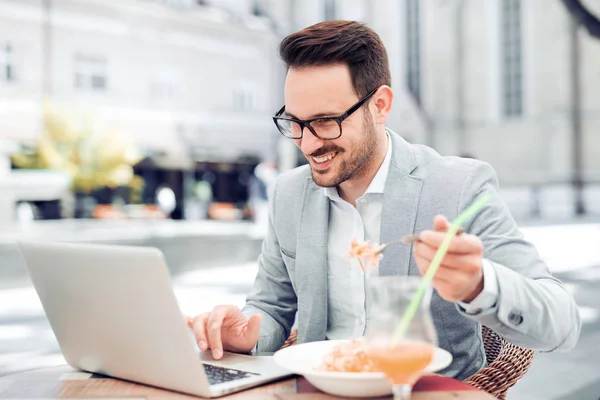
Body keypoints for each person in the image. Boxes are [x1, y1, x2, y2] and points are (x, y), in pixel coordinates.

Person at [188, 20, 580, 380]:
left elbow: (563, 324)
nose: (308, 144)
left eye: (326, 121)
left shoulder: (459, 187)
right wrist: (246, 330)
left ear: (380, 106)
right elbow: (271, 307)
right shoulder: (289, 194)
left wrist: (480, 285)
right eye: (295, 122)